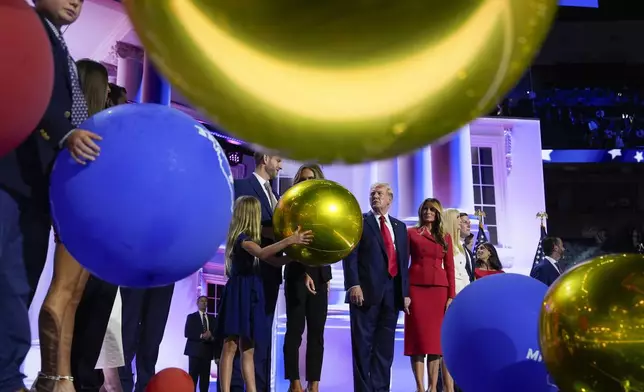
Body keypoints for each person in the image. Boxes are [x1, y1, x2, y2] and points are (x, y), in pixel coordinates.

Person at [0, 1, 100, 388]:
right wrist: (65, 132)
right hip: (11, 182)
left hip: (39, 192)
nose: (75, 1)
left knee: (20, 284)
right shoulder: (25, 31)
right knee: (8, 283)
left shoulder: (58, 45)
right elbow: (20, 86)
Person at [33, 58, 108, 392]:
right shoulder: (81, 133)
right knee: (63, 291)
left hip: (85, 218)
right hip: (77, 216)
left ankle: (62, 377)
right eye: (105, 89)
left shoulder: (88, 131)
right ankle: (52, 375)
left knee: (73, 294)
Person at [217, 196, 313, 392]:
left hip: (252, 292)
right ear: (251, 214)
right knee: (230, 345)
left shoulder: (252, 241)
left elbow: (275, 261)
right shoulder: (242, 239)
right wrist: (290, 240)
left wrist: (294, 255)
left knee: (248, 347)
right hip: (239, 293)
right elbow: (261, 253)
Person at [71, 80, 128, 392]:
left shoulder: (115, 137)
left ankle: (84, 378)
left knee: (99, 310)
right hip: (89, 235)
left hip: (111, 240)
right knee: (79, 307)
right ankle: (72, 376)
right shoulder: (91, 134)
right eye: (114, 97)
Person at [342, 182, 410, 392]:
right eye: (372, 194)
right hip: (365, 293)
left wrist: (405, 293)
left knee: (384, 349)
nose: (375, 197)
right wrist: (353, 284)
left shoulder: (400, 227)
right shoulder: (359, 222)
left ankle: (380, 389)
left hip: (392, 296)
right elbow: (350, 255)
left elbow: (403, 262)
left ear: (390, 199)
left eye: (379, 194)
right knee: (362, 348)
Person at [231, 152, 283, 392]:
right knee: (241, 340)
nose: (280, 166)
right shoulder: (242, 185)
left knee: (260, 339)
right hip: (248, 274)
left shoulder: (276, 196)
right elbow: (239, 224)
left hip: (270, 275)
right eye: (278, 160)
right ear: (265, 158)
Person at [282, 164, 332, 392]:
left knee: (317, 334)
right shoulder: (288, 207)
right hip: (296, 273)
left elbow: (328, 246)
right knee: (294, 331)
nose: (306, 182)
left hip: (321, 275)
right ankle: (294, 383)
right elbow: (288, 245)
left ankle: (314, 385)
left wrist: (326, 277)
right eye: (302, 179)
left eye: (310, 178)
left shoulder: (326, 209)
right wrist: (304, 273)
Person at [405, 198, 455, 392]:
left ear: (437, 213)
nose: (428, 212)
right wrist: (404, 293)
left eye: (432, 209)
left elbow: (450, 268)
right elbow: (403, 262)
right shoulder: (411, 233)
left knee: (435, 342)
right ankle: (419, 387)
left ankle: (433, 387)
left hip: (439, 290)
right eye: (425, 209)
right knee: (418, 340)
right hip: (416, 289)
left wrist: (451, 295)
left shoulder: (445, 237)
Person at [184, 296, 217, 392]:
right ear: (197, 303)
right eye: (202, 301)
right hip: (194, 352)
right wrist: (201, 336)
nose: (204, 303)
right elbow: (187, 333)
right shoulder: (191, 317)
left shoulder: (212, 318)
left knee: (205, 379)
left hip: (207, 352)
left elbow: (215, 333)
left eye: (206, 301)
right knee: (192, 378)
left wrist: (211, 336)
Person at [458, 213, 475, 282]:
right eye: (465, 222)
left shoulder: (468, 252)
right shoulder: (452, 247)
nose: (469, 225)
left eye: (469, 223)